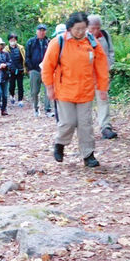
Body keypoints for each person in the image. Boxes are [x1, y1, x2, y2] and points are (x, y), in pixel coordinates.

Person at [42, 12, 109, 168]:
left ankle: (88, 155)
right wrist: (49, 87)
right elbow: (47, 66)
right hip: (64, 90)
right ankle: (60, 143)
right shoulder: (58, 42)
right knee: (68, 122)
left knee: (85, 124)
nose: (80, 32)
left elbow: (101, 67)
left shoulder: (92, 43)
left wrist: (102, 87)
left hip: (85, 90)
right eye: (77, 29)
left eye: (83, 29)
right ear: (70, 28)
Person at [87, 15, 117, 140]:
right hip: (86, 75)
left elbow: (111, 51)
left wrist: (109, 65)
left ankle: (106, 127)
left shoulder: (104, 35)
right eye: (93, 28)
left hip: (102, 74)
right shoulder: (81, 36)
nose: (95, 31)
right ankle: (85, 129)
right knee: (85, 103)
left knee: (103, 99)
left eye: (98, 28)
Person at [25, 23, 52, 117]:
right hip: (34, 70)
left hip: (46, 70)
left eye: (43, 30)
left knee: (48, 90)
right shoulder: (31, 42)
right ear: (36, 31)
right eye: (40, 30)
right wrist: (30, 68)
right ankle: (36, 108)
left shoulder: (49, 42)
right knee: (34, 91)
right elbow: (27, 56)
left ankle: (48, 109)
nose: (41, 32)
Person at [5, 33, 26, 107]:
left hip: (20, 69)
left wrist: (24, 67)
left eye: (14, 39)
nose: (13, 41)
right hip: (11, 70)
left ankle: (20, 100)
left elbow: (24, 58)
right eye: (11, 39)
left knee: (20, 86)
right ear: (9, 40)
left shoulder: (21, 48)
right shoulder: (6, 49)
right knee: (12, 85)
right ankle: (12, 95)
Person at [0, 37, 11, 115]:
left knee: (5, 94)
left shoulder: (6, 54)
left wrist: (5, 65)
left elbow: (10, 63)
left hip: (5, 76)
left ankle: (4, 109)